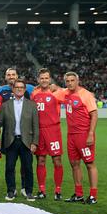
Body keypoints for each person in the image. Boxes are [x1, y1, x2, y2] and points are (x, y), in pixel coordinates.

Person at [0, 79, 39, 201]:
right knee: (10, 168)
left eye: (21, 87)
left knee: (28, 168)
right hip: (11, 141)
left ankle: (28, 191)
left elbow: (36, 126)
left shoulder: (31, 105)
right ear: (13, 89)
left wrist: (34, 142)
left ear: (24, 89)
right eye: (17, 87)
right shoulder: (6, 105)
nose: (19, 89)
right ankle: (11, 191)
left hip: (26, 141)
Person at [61, 72, 99, 204]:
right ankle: (78, 194)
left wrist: (90, 134)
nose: (70, 83)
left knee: (89, 164)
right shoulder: (65, 93)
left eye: (72, 80)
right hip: (71, 135)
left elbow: (94, 115)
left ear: (77, 81)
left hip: (84, 134)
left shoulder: (86, 95)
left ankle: (93, 195)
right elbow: (53, 90)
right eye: (67, 81)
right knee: (74, 164)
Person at [31, 68, 65, 199]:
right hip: (39, 131)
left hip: (53, 130)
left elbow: (70, 95)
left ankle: (58, 191)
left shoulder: (57, 92)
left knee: (57, 160)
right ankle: (41, 190)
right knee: (40, 160)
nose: (44, 80)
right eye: (42, 78)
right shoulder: (34, 93)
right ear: (38, 80)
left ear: (50, 79)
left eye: (46, 78)